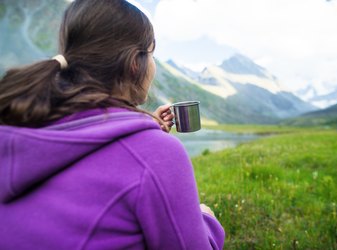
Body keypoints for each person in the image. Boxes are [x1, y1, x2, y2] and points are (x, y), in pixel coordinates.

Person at [0, 0, 225, 249]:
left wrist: (142, 124)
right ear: (134, 63)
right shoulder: (158, 154)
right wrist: (207, 219)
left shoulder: (20, 124)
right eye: (151, 54)